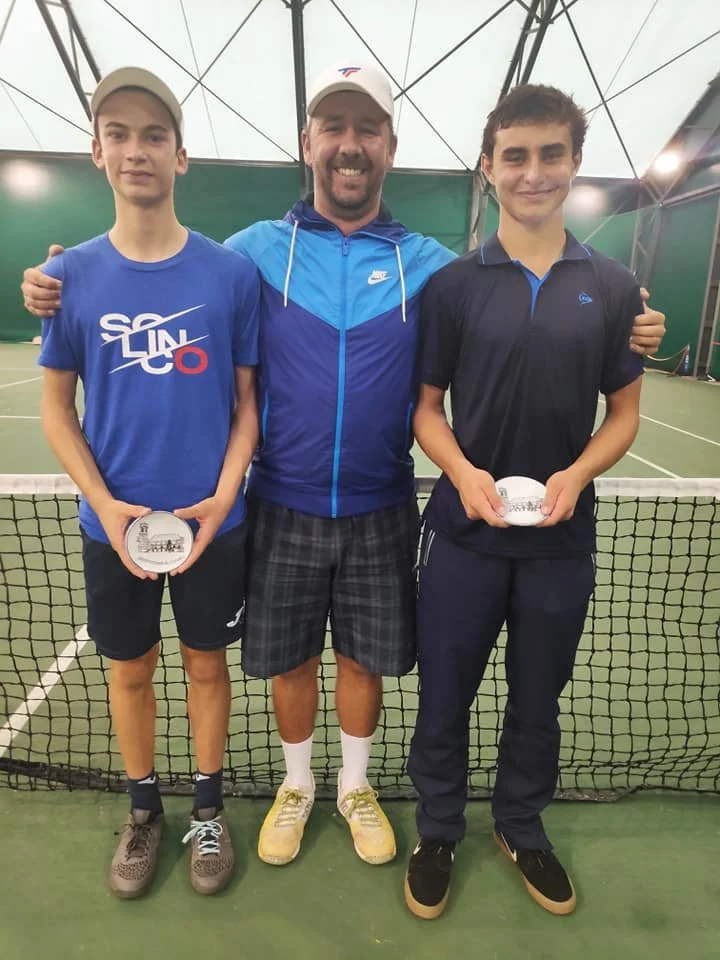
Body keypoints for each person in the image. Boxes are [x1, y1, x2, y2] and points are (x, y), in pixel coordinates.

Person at [21, 64, 666, 871]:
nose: (350, 145)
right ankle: (297, 787)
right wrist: (57, 278)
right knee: (290, 660)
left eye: (367, 129)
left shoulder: (434, 264)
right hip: (281, 503)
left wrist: (628, 322)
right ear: (308, 144)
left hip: (382, 505)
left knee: (365, 660)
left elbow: (510, 285)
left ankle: (354, 787)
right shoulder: (251, 252)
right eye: (334, 128)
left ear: (390, 147)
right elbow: (162, 265)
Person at [404, 83, 646, 920]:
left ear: (575, 164)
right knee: (445, 695)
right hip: (464, 537)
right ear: (489, 166)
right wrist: (463, 474)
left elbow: (624, 415)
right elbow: (426, 410)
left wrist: (576, 478)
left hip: (558, 541)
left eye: (551, 155)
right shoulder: (453, 286)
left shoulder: (613, 287)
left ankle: (519, 825)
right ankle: (437, 828)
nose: (533, 172)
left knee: (538, 697)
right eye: (516, 155)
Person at [35, 67, 260, 899]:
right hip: (112, 530)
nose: (137, 150)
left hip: (212, 527)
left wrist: (223, 499)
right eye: (120, 134)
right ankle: (142, 813)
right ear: (97, 152)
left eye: (154, 135)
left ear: (181, 155)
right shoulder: (71, 278)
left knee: (208, 668)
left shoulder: (230, 276)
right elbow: (59, 411)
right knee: (130, 672)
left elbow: (247, 407)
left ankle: (206, 811)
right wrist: (107, 508)